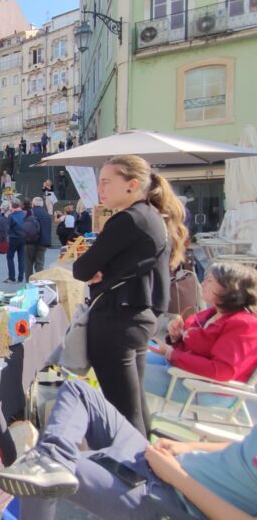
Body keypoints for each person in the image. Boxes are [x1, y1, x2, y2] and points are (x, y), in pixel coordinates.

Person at [0, 380, 257, 520]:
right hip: (166, 465)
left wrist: (176, 476)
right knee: (79, 391)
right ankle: (54, 458)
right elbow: (244, 447)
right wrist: (186, 445)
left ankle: (51, 463)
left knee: (36, 471)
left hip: (174, 499)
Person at [72, 155, 187, 436]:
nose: (101, 189)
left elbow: (81, 268)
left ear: (132, 184)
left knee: (121, 410)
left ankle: (132, 471)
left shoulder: (129, 220)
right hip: (134, 317)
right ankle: (145, 462)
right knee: (133, 404)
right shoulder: (149, 216)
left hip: (118, 319)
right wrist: (102, 269)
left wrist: (98, 270)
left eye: (107, 182)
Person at [145, 261, 257, 405]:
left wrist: (171, 353)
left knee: (126, 373)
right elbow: (198, 349)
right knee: (125, 358)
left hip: (206, 389)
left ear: (230, 288)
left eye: (210, 280)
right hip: (186, 373)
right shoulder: (213, 313)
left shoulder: (244, 324)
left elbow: (222, 371)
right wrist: (177, 338)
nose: (203, 283)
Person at [25, 197, 52, 281]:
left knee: (28, 264)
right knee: (39, 263)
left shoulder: (30, 212)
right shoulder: (47, 214)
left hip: (30, 242)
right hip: (43, 243)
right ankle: (40, 283)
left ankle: (29, 283)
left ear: (33, 204)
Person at [5, 198, 26, 284]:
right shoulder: (24, 214)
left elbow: (7, 227)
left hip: (13, 238)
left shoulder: (11, 216)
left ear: (12, 205)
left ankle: (11, 277)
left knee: (10, 257)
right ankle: (21, 277)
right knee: (21, 258)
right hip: (23, 238)